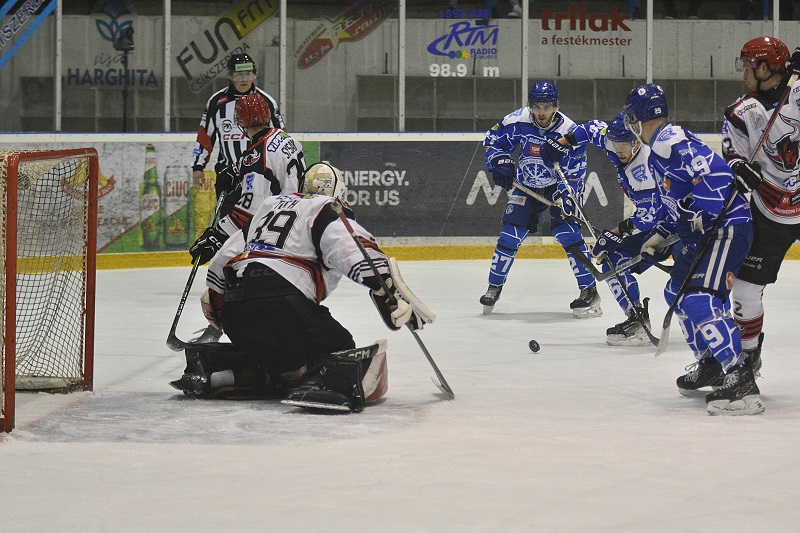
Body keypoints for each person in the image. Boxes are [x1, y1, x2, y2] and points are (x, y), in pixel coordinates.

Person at [170, 162, 434, 412]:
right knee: (338, 345)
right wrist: (384, 288)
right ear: (339, 192)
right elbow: (353, 250)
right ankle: (320, 384)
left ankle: (220, 373)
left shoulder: (270, 205)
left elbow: (224, 258)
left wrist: (219, 300)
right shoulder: (327, 208)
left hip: (235, 308)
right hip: (281, 301)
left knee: (273, 351)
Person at [623, 83, 761, 415]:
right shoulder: (659, 150)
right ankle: (711, 362)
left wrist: (693, 216)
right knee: (675, 292)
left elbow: (716, 179)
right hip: (708, 232)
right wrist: (660, 237)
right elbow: (677, 206)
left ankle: (738, 372)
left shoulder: (670, 140)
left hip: (726, 228)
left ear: (638, 118)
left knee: (699, 299)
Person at [544, 112, 667, 346]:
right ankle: (636, 318)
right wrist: (561, 143)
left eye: (626, 144)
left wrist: (614, 233)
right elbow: (590, 129)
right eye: (616, 143)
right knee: (612, 257)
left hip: (673, 225)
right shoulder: (614, 139)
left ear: (637, 140)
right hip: (656, 220)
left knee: (689, 282)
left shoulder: (644, 169)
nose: (619, 149)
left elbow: (648, 217)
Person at [480, 81, 600, 318]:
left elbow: (576, 170)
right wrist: (500, 162)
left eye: (547, 106)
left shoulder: (569, 130)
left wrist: (568, 197)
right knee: (509, 235)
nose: (542, 112)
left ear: (555, 106)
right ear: (530, 106)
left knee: (569, 235)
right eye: (537, 106)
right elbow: (493, 141)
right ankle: (494, 287)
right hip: (527, 186)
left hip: (557, 188)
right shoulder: (518, 120)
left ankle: (589, 290)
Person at [724, 36, 800, 379]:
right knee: (743, 290)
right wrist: (740, 170)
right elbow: (732, 155)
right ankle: (749, 358)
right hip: (770, 210)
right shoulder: (741, 112)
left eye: (748, 67)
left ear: (766, 68)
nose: (744, 74)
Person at [189, 92, 305, 266]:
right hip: (296, 224)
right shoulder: (285, 139)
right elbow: (271, 164)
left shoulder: (257, 156)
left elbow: (250, 208)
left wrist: (218, 236)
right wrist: (238, 169)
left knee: (226, 268)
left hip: (275, 232)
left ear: (241, 121)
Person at [191, 53, 285, 199]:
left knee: (258, 220)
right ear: (230, 76)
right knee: (227, 219)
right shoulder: (216, 102)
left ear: (254, 75)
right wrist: (198, 166)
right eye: (239, 75)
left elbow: (280, 137)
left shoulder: (266, 102)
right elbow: (205, 137)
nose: (244, 79)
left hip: (260, 174)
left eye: (248, 74)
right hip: (228, 175)